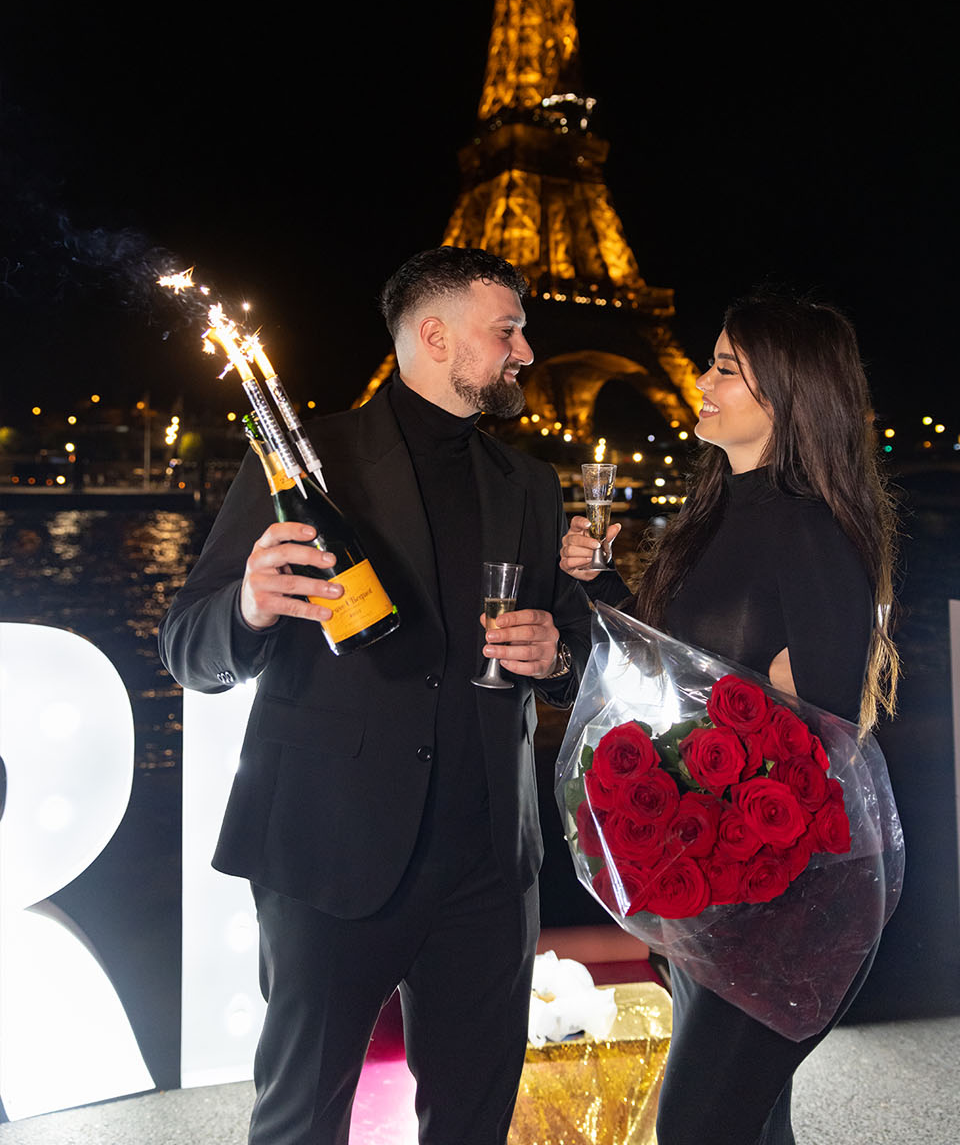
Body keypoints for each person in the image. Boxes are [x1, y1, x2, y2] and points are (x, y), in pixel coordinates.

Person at [159, 246, 591, 1145]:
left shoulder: (531, 486)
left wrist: (556, 655)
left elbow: (577, 651)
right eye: (508, 331)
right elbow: (188, 650)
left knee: (473, 1124)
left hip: (489, 871)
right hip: (329, 854)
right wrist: (248, 606)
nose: (526, 352)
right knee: (301, 1121)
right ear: (435, 336)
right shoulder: (303, 463)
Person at [560, 291, 900, 1145]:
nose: (701, 383)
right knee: (746, 1128)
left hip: (786, 891)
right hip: (715, 876)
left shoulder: (810, 530)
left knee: (699, 1128)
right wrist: (605, 589)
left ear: (788, 392)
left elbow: (820, 742)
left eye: (724, 368)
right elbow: (683, 674)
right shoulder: (714, 516)